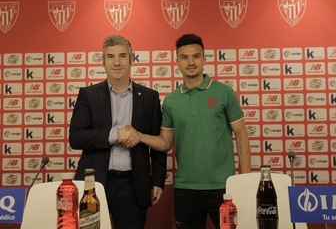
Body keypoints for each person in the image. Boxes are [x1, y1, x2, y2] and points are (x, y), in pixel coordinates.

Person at [130, 34, 251, 229]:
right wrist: (139, 135)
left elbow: (241, 135)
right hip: (185, 188)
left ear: (204, 59)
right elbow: (165, 142)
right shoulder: (171, 100)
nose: (191, 62)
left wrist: (245, 179)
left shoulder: (224, 92)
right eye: (184, 57)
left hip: (224, 187)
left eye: (196, 56)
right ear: (177, 61)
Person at [69, 35, 167, 229]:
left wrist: (157, 181)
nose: (117, 62)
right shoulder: (88, 95)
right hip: (92, 184)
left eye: (122, 56)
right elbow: (76, 137)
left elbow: (158, 143)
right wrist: (115, 134)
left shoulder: (149, 97)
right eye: (110, 56)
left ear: (131, 59)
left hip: (133, 185)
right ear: (102, 61)